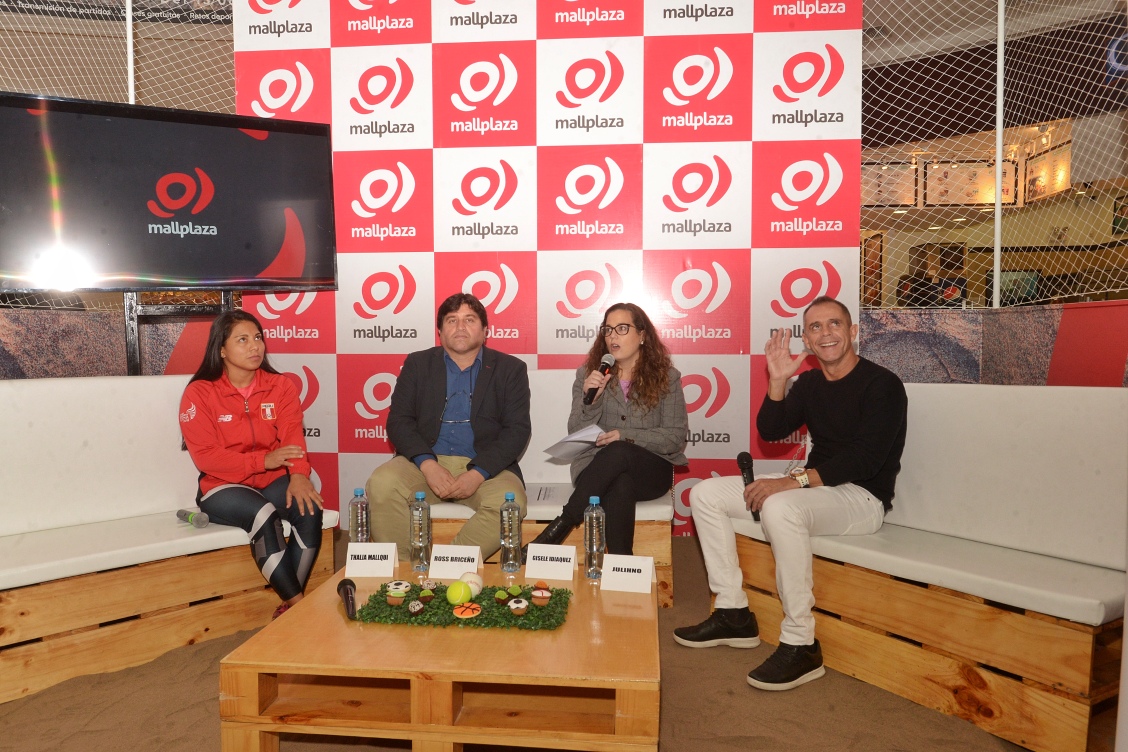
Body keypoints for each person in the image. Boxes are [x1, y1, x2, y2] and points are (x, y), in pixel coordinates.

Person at [673, 296, 907, 691]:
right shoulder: (810, 383)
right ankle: (733, 612)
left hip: (862, 498)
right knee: (705, 494)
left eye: (834, 324)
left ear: (853, 331)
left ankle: (801, 642)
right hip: (816, 491)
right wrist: (778, 381)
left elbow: (866, 460)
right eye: (815, 327)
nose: (825, 333)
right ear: (807, 341)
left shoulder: (882, 384)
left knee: (780, 506)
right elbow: (771, 430)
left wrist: (793, 482)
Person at [179, 310, 324, 620]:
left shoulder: (280, 386)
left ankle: (288, 610)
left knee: (309, 507)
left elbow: (293, 438)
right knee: (263, 514)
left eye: (257, 338)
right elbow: (207, 457)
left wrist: (299, 476)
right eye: (242, 340)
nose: (254, 346)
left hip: (270, 480)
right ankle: (302, 612)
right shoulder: (199, 392)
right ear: (221, 349)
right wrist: (263, 460)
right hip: (222, 486)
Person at [367, 293, 531, 559]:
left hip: (485, 467)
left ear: (485, 330)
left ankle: (447, 565)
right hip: (425, 464)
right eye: (452, 320)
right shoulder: (418, 364)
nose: (460, 327)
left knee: (510, 504)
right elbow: (399, 421)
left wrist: (477, 474)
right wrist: (428, 464)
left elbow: (517, 430)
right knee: (382, 484)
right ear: (440, 332)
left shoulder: (510, 369)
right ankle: (407, 570)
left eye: (470, 320)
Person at [526, 303, 687, 556]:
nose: (613, 336)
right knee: (620, 483)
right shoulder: (588, 375)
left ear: (642, 335)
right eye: (608, 330)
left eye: (622, 328)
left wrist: (626, 437)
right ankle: (622, 565)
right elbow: (576, 431)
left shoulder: (667, 377)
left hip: (651, 471)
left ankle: (561, 526)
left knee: (619, 449)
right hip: (595, 469)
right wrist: (593, 400)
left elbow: (675, 437)